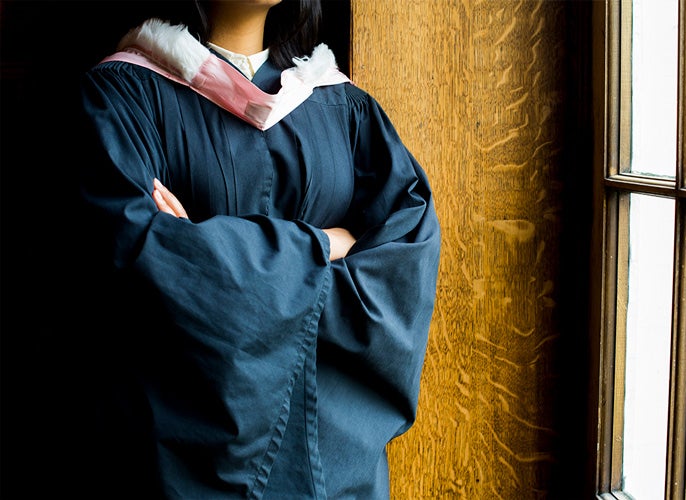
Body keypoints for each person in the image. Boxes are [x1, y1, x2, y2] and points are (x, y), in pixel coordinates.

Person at [75, 0, 441, 498]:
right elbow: (142, 262)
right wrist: (331, 245)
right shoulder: (123, 96)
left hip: (334, 470)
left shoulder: (342, 107)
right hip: (180, 467)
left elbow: (401, 267)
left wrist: (211, 248)